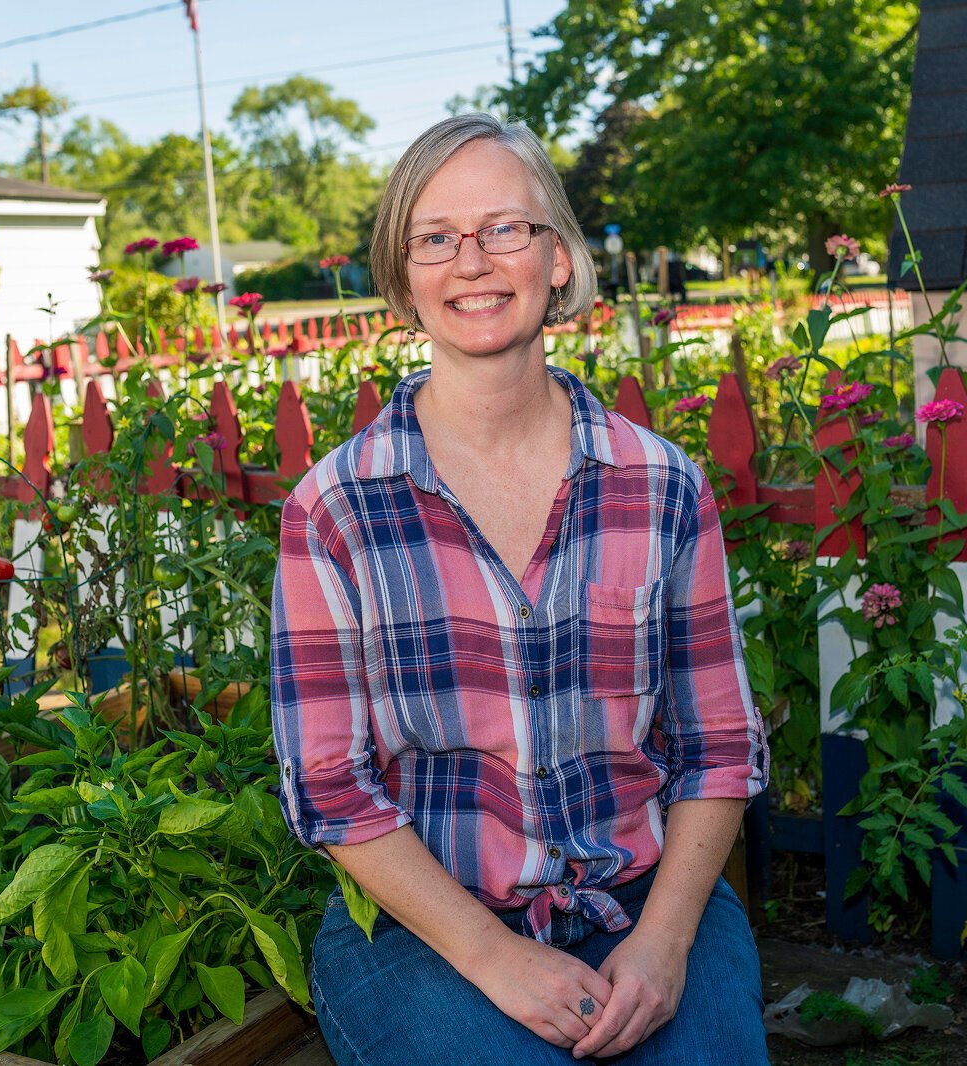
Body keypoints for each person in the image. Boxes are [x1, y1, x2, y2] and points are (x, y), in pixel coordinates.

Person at [270, 113, 770, 1065]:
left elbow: (717, 749)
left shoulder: (662, 487)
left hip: (643, 896)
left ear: (560, 260)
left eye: (505, 228)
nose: (473, 261)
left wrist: (662, 947)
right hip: (427, 925)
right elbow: (331, 787)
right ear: (403, 281)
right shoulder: (335, 510)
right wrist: (495, 956)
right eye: (435, 238)